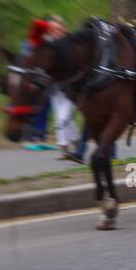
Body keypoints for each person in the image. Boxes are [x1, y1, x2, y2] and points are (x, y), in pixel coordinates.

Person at [45, 15, 85, 162]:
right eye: (52, 29)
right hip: (55, 90)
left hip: (70, 88)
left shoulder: (71, 43)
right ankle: (74, 142)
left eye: (58, 28)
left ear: (63, 28)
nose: (55, 31)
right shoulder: (47, 45)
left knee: (63, 118)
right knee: (62, 120)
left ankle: (64, 147)